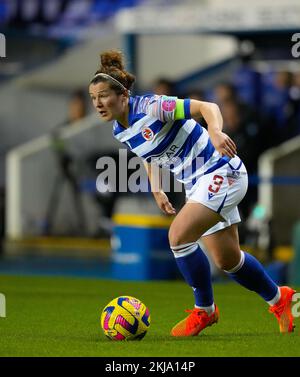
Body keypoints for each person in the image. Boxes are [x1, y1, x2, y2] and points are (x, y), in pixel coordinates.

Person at [88, 50, 297, 336]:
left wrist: (215, 132)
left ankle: (205, 311)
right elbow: (148, 154)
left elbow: (208, 107)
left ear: (123, 95)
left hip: (221, 171)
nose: (97, 103)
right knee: (228, 260)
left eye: (102, 95)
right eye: (93, 97)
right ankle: (280, 299)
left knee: (178, 237)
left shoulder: (153, 106)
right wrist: (157, 187)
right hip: (197, 183)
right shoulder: (119, 129)